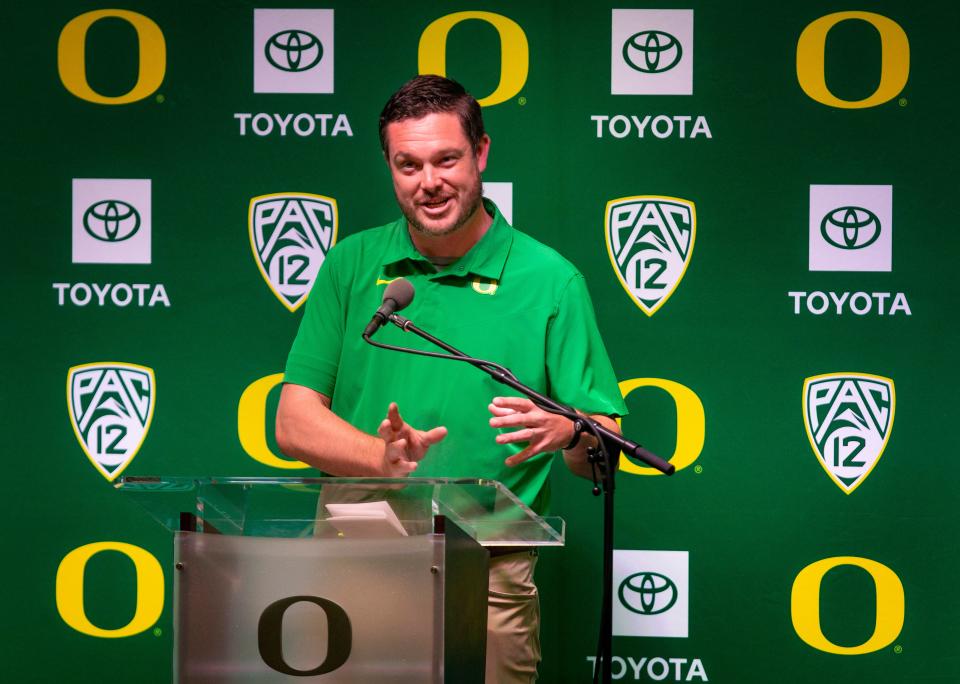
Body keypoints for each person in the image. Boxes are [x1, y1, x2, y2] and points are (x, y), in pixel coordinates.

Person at [276, 74, 626, 683]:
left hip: (488, 571)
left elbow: (600, 447)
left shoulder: (551, 280)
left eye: (447, 159)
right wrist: (380, 456)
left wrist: (570, 433)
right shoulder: (350, 264)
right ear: (388, 164)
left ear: (482, 153)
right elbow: (293, 422)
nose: (429, 183)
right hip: (355, 557)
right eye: (408, 165)